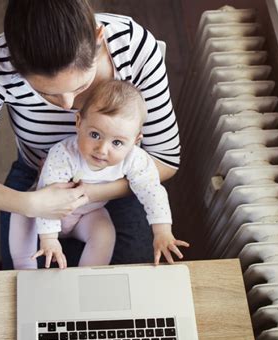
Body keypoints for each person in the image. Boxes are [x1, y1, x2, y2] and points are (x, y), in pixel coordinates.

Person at [0, 0, 181, 269]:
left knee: (132, 279)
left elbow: (165, 159)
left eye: (82, 85)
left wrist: (90, 192)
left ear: (98, 38)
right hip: (36, 177)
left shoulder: (133, 47)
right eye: (47, 93)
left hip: (118, 178)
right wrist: (31, 203)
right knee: (24, 280)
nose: (69, 107)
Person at [10, 80, 188, 269]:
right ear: (79, 123)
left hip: (86, 215)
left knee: (104, 232)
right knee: (21, 213)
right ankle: (23, 268)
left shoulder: (136, 160)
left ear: (135, 141)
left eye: (117, 143)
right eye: (95, 135)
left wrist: (162, 231)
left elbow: (152, 192)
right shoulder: (64, 154)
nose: (102, 150)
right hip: (45, 210)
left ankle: (88, 275)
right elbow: (49, 197)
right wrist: (49, 239)